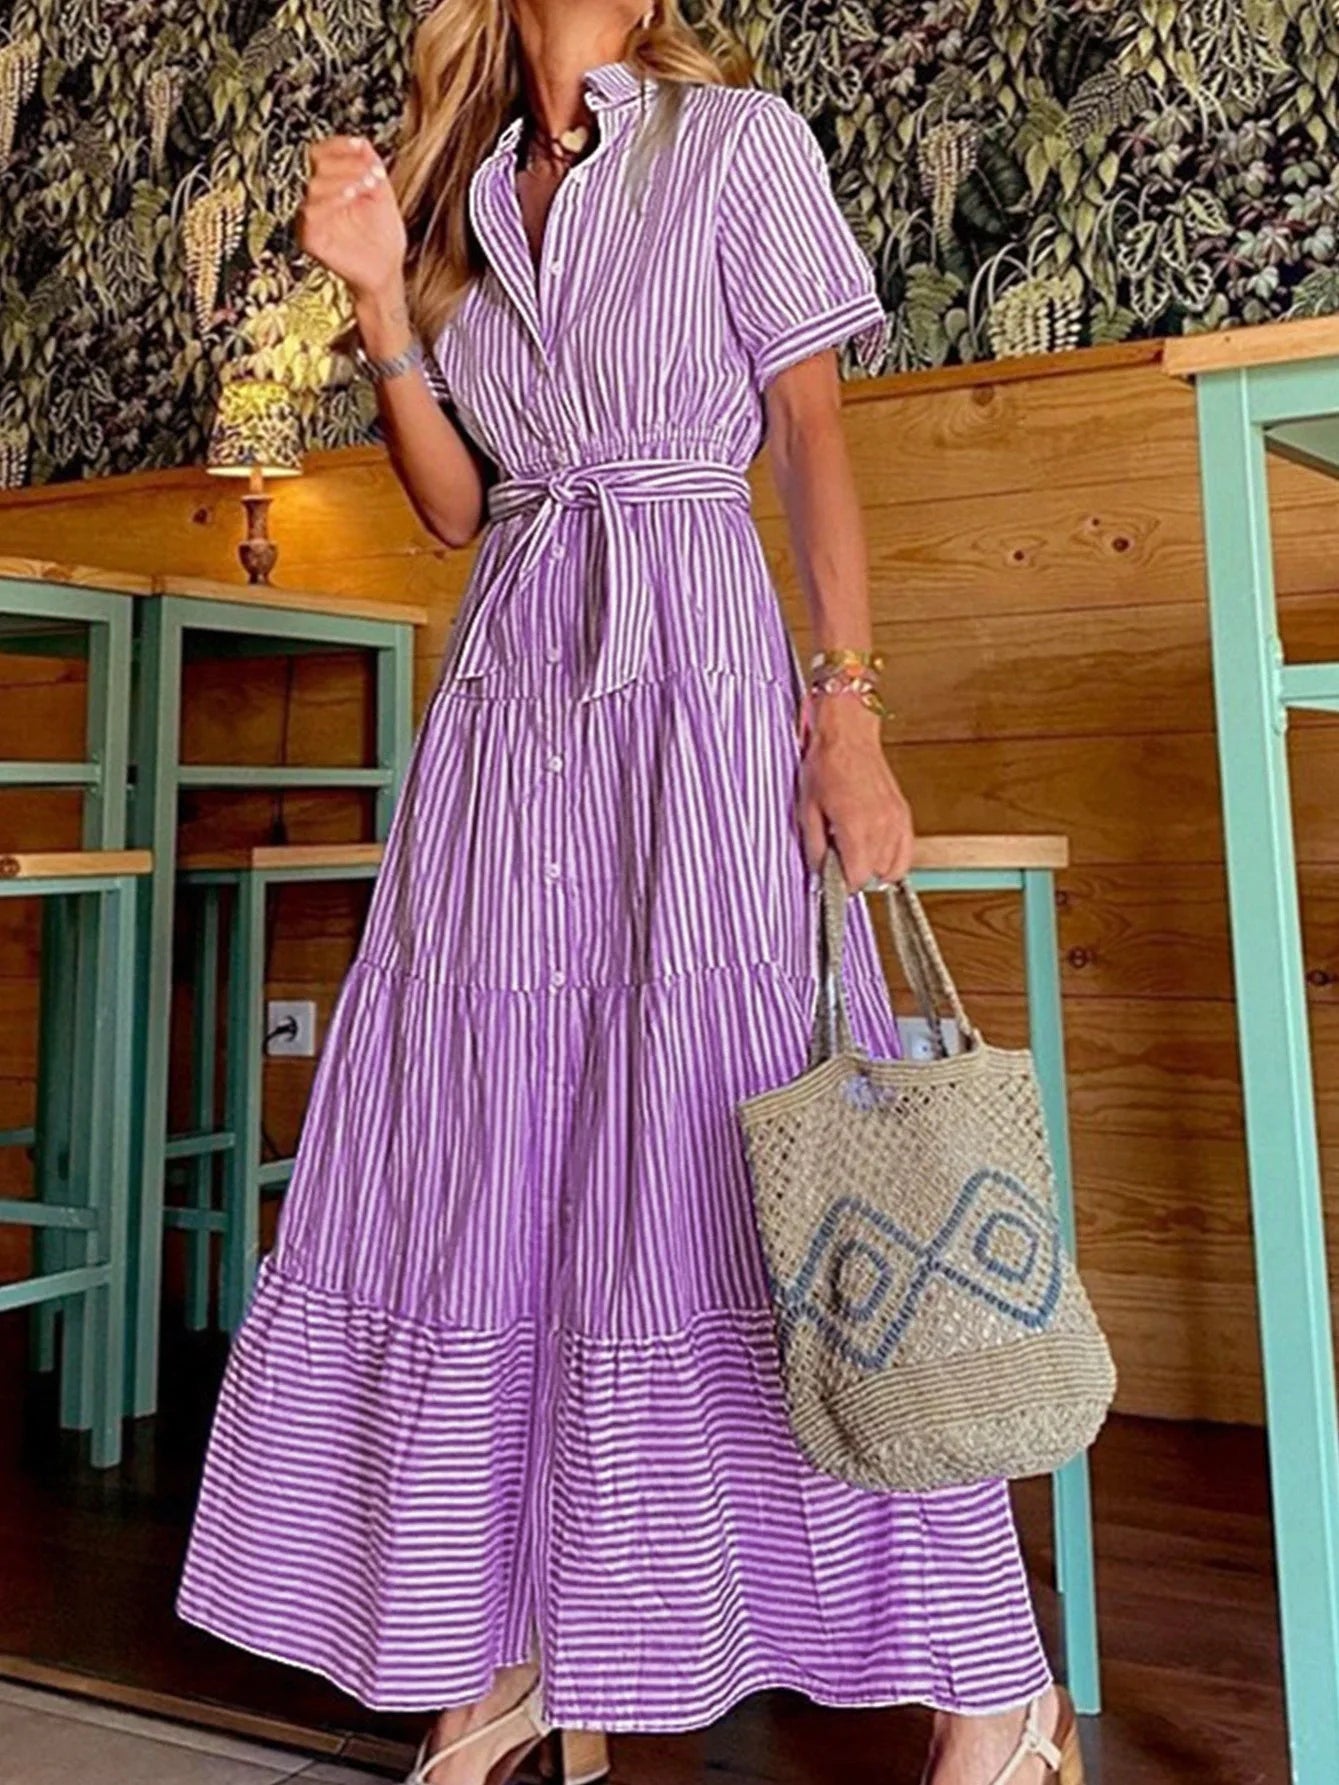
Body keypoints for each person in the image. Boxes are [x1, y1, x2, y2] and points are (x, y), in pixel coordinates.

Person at [175, 4, 1079, 1783]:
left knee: (742, 1155)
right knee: (487, 1149)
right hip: (511, 698)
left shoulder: (737, 145)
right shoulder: (458, 190)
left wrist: (847, 709)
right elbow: (459, 506)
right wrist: (377, 297)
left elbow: (809, 434)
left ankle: (992, 1681)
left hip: (695, 676)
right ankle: (514, 1662)